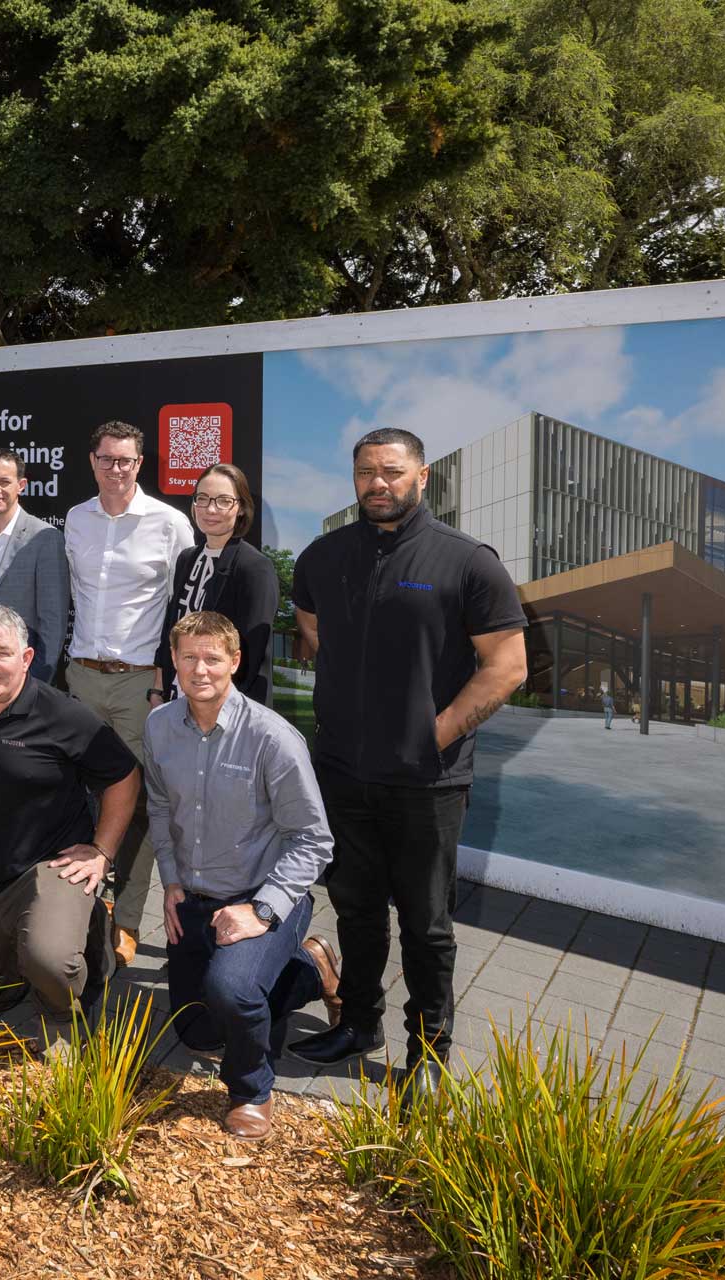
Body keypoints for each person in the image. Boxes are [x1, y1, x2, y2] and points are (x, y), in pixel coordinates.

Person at [287, 427, 528, 1104]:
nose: (378, 483)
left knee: (427, 924)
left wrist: (433, 734)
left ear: (422, 477)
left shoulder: (468, 561)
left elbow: (508, 666)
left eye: (392, 471)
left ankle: (429, 1052)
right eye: (366, 471)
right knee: (355, 908)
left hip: (428, 781)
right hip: (343, 772)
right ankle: (358, 1023)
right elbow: (313, 630)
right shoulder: (323, 556)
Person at [144, 611, 340, 1140]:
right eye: (188, 657)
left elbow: (314, 840)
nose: (199, 669)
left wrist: (261, 910)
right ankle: (308, 968)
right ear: (173, 660)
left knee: (231, 991)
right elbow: (159, 805)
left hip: (262, 895)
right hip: (194, 895)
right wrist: (171, 881)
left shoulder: (272, 738)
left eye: (212, 658)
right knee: (197, 1030)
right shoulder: (159, 726)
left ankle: (251, 1090)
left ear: (235, 661)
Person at [0, 604, 140, 1047]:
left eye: (3, 652)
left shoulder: (62, 714)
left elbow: (125, 776)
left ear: (26, 658)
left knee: (49, 963)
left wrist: (102, 851)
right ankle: (30, 963)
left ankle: (65, 1011)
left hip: (51, 866)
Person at [63, 420, 194, 969]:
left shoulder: (170, 523)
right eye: (107, 459)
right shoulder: (75, 519)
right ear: (92, 461)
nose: (116, 469)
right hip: (80, 675)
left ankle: (128, 920)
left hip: (140, 682)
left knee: (136, 800)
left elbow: (184, 608)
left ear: (140, 464)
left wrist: (166, 681)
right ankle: (75, 906)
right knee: (76, 794)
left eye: (126, 461)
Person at [152, 463, 280, 706]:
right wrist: (158, 690)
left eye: (223, 501)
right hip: (177, 698)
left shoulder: (255, 567)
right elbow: (171, 628)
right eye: (203, 498)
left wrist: (215, 708)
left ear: (241, 508)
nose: (210, 509)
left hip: (223, 706)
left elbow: (251, 654)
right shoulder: (187, 558)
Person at [0, 447, 69, 685]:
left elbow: (53, 622)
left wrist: (37, 683)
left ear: (21, 485)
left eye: (4, 481)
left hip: (18, 674)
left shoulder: (45, 538)